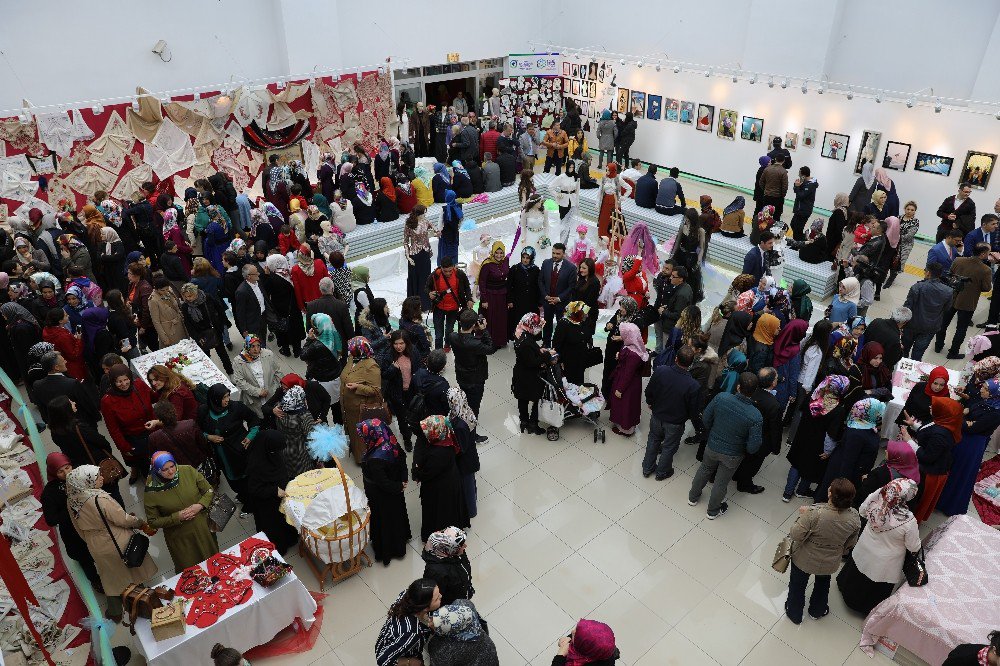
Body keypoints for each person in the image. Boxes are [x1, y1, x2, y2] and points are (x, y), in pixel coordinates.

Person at [67, 465, 156, 622]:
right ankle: (142, 601)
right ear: (87, 481)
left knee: (110, 575)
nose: (102, 478)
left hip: (95, 543)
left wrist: (91, 541)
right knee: (131, 570)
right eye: (96, 477)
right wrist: (140, 522)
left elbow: (78, 528)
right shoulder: (99, 498)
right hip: (115, 539)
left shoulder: (72, 499)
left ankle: (115, 610)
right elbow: (123, 519)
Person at [837, 478, 921, 615]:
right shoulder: (908, 521)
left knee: (857, 572)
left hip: (865, 546)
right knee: (873, 586)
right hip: (885, 561)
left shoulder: (876, 497)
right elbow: (913, 546)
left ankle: (846, 592)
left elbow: (862, 511)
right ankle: (865, 609)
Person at [783, 478, 861, 625]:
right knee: (823, 585)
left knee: (797, 585)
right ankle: (817, 611)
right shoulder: (854, 517)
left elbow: (796, 535)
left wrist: (801, 515)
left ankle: (794, 613)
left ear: (830, 493)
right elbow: (851, 542)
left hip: (804, 558)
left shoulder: (814, 513)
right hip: (830, 560)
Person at [688, 372, 762, 519]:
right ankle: (712, 511)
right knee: (721, 482)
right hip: (733, 454)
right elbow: (753, 447)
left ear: (738, 386)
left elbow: (706, 419)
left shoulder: (721, 398)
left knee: (704, 469)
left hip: (712, 446)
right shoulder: (755, 416)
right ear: (754, 391)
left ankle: (692, 497)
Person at [143, 451, 218, 571]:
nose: (171, 471)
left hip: (203, 528)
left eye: (172, 466)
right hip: (181, 538)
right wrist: (177, 517)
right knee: (193, 572)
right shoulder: (151, 491)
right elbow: (153, 521)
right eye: (165, 469)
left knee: (214, 564)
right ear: (157, 470)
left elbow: (208, 490)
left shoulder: (187, 471)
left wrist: (200, 505)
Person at [783, 375, 850, 501]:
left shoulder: (813, 397)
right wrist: (828, 451)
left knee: (796, 464)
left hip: (802, 437)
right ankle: (801, 491)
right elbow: (831, 434)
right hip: (818, 444)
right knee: (810, 467)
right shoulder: (837, 409)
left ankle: (787, 492)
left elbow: (801, 414)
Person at [938, 379, 1000, 515]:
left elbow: (974, 428)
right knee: (950, 467)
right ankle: (939, 498)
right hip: (963, 438)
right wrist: (966, 420)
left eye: (985, 388)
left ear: (994, 394)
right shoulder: (985, 402)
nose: (981, 390)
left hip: (971, 445)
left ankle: (948, 505)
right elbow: (967, 411)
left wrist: (961, 419)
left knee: (959, 472)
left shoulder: (996, 413)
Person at [642, 345, 701, 480]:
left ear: (675, 359)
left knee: (653, 440)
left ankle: (647, 468)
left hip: (657, 416)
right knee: (669, 447)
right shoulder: (693, 386)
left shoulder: (661, 370)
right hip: (675, 423)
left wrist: (650, 402)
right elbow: (693, 410)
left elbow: (649, 390)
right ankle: (661, 473)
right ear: (691, 364)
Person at [41, 454, 101, 587]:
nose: (66, 473)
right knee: (86, 560)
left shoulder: (80, 475)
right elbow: (51, 520)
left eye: (67, 467)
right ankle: (95, 581)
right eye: (60, 471)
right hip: (73, 533)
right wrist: (71, 506)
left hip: (92, 523)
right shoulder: (49, 493)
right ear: (53, 473)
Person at [902, 396, 962, 522]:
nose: (930, 406)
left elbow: (927, 457)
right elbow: (929, 433)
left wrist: (909, 440)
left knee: (919, 501)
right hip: (932, 468)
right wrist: (914, 425)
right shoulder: (942, 421)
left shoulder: (941, 434)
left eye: (934, 406)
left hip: (930, 473)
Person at [413, 416, 469, 541]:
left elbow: (428, 473)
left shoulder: (437, 453)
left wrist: (418, 471)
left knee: (440, 513)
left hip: (440, 488)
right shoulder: (446, 439)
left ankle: (440, 537)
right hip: (450, 480)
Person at [243, 429, 298, 555]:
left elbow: (281, 469)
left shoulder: (273, 452)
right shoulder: (256, 463)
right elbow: (254, 489)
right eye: (275, 451)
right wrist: (273, 490)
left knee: (286, 522)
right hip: (267, 504)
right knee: (274, 528)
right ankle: (279, 547)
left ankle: (290, 539)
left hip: (281, 498)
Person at [732, 367, 783, 494]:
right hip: (760, 441)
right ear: (773, 383)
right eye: (776, 378)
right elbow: (775, 429)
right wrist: (776, 448)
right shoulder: (774, 405)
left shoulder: (749, 391)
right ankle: (744, 485)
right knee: (752, 464)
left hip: (742, 433)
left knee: (743, 458)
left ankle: (736, 475)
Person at [937, 242, 993, 359]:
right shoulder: (985, 270)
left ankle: (938, 346)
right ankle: (953, 352)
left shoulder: (958, 260)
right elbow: (986, 288)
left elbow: (950, 275)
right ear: (983, 254)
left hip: (951, 298)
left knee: (943, 324)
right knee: (961, 329)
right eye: (988, 252)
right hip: (968, 302)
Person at [100, 363, 154, 483]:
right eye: (119, 381)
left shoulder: (139, 384)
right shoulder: (107, 401)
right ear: (113, 382)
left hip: (152, 431)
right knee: (143, 465)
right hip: (133, 439)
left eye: (126, 379)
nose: (124, 384)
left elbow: (153, 397)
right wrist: (124, 447)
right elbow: (113, 429)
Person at [375, 579, 437, 666]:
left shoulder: (407, 595)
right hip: (397, 653)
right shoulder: (412, 634)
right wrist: (409, 661)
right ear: (425, 607)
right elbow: (382, 660)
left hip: (391, 639)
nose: (441, 596)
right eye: (437, 598)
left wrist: (427, 619)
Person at [340, 336, 382, 463]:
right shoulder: (352, 358)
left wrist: (358, 387)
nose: (349, 352)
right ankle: (357, 452)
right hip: (349, 406)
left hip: (360, 408)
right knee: (353, 433)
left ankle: (363, 458)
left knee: (361, 436)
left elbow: (376, 390)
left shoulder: (371, 366)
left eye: (351, 349)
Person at [902, 262, 955, 360]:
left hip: (911, 325)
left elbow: (907, 308)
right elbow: (947, 309)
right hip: (931, 327)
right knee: (918, 353)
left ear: (928, 273)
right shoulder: (948, 291)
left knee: (904, 350)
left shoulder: (917, 287)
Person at [179, 283, 233, 375]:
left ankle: (230, 373)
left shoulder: (207, 298)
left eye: (190, 296)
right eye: (185, 296)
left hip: (214, 330)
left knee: (222, 354)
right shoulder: (185, 306)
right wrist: (197, 337)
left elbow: (219, 309)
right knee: (205, 357)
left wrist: (221, 324)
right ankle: (210, 375)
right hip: (201, 335)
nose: (188, 299)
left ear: (195, 292)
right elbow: (188, 325)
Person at [261, 254, 306, 358]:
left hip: (280, 310)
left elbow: (266, 293)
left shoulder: (271, 278)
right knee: (295, 329)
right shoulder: (289, 273)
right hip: (293, 307)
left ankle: (286, 351)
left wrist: (267, 275)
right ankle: (297, 351)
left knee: (282, 330)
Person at [607, 322, 647, 436]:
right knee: (624, 404)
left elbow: (628, 374)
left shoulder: (633, 355)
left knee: (626, 405)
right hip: (626, 380)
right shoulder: (633, 344)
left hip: (627, 384)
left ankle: (626, 429)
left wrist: (620, 389)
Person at [425, 257, 473, 350]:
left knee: (449, 330)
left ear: (453, 267)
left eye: (450, 271)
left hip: (453, 308)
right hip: (439, 308)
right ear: (441, 268)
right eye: (445, 271)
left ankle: (447, 345)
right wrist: (429, 293)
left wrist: (469, 299)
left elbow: (467, 287)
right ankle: (438, 352)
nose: (448, 273)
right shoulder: (436, 275)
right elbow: (427, 287)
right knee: (438, 334)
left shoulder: (459, 274)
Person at [421, 526, 474, 605]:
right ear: (448, 549)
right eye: (461, 546)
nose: (465, 546)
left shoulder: (456, 552)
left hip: (463, 592)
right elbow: (435, 597)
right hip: (452, 605)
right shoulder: (435, 572)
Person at [538, 244, 577, 347]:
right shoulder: (546, 263)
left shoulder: (571, 268)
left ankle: (559, 346)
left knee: (561, 326)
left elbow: (571, 287)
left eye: (558, 254)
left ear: (564, 254)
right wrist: (545, 296)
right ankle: (546, 343)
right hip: (547, 301)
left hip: (562, 303)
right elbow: (540, 281)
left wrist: (559, 298)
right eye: (553, 253)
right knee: (547, 324)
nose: (555, 255)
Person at [476, 241, 509, 349]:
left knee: (500, 318)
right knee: (490, 319)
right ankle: (489, 341)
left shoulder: (506, 261)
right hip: (490, 296)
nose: (499, 255)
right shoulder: (487, 264)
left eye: (501, 253)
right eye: (497, 253)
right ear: (493, 252)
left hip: (502, 296)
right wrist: (484, 300)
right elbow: (482, 282)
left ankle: (499, 341)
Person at [506, 246, 541, 337]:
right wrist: (510, 300)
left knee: (530, 322)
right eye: (523, 257)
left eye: (528, 258)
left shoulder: (536, 270)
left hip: (531, 302)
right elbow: (509, 286)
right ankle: (518, 340)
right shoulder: (515, 269)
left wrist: (539, 302)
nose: (525, 260)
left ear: (532, 258)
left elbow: (539, 286)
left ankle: (530, 341)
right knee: (518, 321)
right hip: (518, 302)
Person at [553, 301, 591, 385]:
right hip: (568, 361)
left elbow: (587, 336)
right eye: (585, 313)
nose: (587, 316)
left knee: (579, 383)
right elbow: (556, 344)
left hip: (581, 359)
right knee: (570, 385)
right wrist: (560, 361)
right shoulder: (563, 323)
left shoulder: (581, 321)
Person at [232, 263, 271, 344]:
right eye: (256, 273)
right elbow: (240, 313)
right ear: (248, 276)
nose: (258, 273)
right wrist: (244, 330)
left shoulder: (258, 283)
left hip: (263, 319)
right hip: (252, 324)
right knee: (256, 346)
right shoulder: (241, 291)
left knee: (263, 340)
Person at [598, 164, 628, 238]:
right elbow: (600, 191)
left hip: (615, 202)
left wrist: (624, 197)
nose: (607, 171)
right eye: (606, 170)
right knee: (604, 219)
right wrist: (597, 203)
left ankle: (612, 237)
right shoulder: (604, 178)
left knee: (612, 221)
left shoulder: (618, 179)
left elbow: (629, 188)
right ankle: (602, 236)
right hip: (605, 201)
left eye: (608, 170)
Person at [790, 166, 818, 241]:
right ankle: (801, 240)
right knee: (793, 224)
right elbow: (796, 191)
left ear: (803, 175)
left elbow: (800, 195)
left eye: (799, 174)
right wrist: (796, 186)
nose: (798, 176)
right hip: (799, 209)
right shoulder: (804, 182)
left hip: (804, 210)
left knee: (798, 228)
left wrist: (797, 187)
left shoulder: (810, 185)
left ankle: (798, 244)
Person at [760, 154, 789, 220]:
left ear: (775, 159)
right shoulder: (783, 172)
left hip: (767, 195)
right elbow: (785, 186)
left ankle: (764, 229)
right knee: (776, 216)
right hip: (778, 197)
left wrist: (765, 190)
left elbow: (761, 182)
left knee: (765, 214)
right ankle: (773, 229)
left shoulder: (767, 169)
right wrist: (782, 195)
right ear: (783, 161)